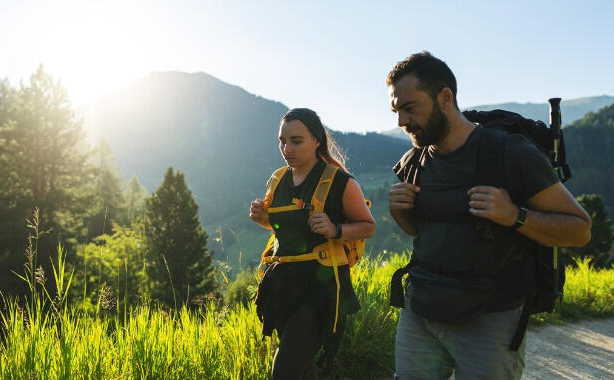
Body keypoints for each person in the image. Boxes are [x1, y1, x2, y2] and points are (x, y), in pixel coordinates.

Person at [386, 51, 592, 379]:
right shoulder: (415, 160)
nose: (401, 122)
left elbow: (580, 229)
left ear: (444, 97)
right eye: (396, 110)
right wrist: (399, 212)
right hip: (421, 310)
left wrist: (515, 215)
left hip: (490, 318)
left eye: (410, 108)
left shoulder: (510, 153)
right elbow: (422, 232)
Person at [249, 108, 375, 379]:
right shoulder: (279, 178)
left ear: (317, 140)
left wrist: (335, 228)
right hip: (282, 286)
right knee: (303, 371)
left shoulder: (340, 182)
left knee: (283, 372)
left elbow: (368, 226)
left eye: (296, 141)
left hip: (321, 289)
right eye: (282, 141)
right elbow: (285, 229)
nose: (286, 148)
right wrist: (263, 219)